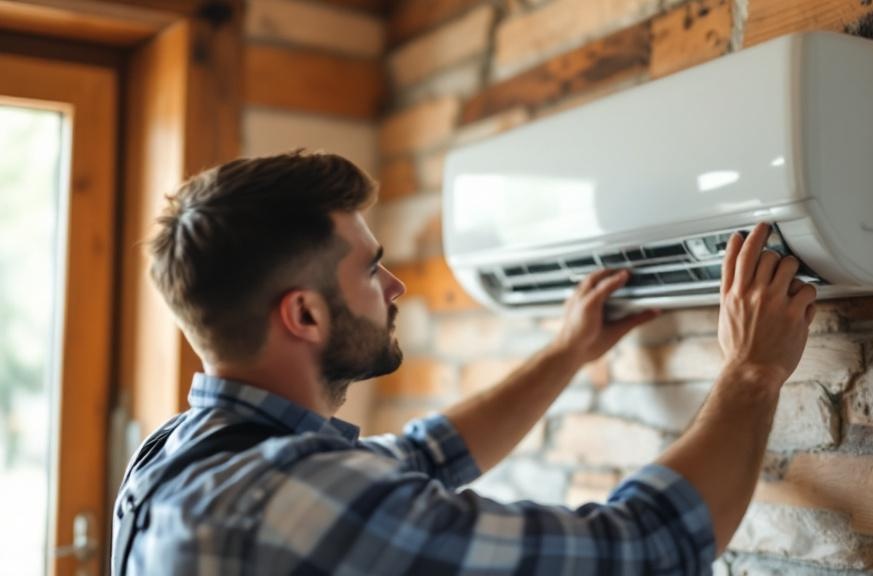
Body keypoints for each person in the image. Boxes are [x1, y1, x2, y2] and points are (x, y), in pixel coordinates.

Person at [112, 151, 816, 575]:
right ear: (304, 315)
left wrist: (566, 352)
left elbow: (424, 457)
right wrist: (752, 372)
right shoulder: (289, 497)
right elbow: (645, 550)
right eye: (371, 270)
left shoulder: (178, 455)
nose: (395, 289)